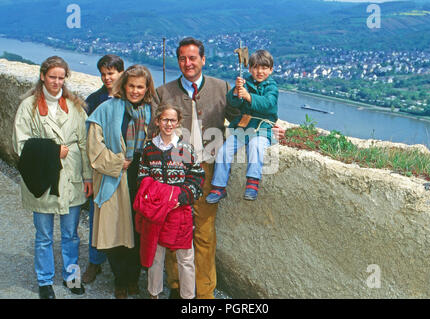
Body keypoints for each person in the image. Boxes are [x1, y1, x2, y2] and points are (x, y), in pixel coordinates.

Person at [154, 37, 285, 299]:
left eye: (193, 58)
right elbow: (153, 133)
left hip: (208, 169)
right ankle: (177, 286)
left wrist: (274, 126)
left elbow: (241, 116)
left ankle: (204, 293)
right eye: (182, 58)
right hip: (175, 171)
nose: (187, 63)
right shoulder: (163, 92)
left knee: (204, 232)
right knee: (173, 229)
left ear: (203, 60)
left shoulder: (221, 87)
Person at [12, 56, 93, 299]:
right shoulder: (28, 106)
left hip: (72, 175)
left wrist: (87, 177)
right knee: (44, 234)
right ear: (42, 76)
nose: (56, 82)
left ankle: (71, 276)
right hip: (43, 177)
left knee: (71, 233)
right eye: (52, 77)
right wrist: (53, 151)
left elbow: (84, 143)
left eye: (61, 77)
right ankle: (44, 280)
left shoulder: (76, 106)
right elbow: (20, 144)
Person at [86, 64, 155, 299]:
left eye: (140, 87)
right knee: (116, 231)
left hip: (144, 179)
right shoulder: (107, 108)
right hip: (117, 177)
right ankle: (119, 279)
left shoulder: (152, 112)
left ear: (147, 89)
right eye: (131, 86)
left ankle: (133, 277)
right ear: (123, 86)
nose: (135, 91)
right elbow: (93, 145)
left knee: (137, 232)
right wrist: (116, 162)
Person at [136, 104, 204, 299]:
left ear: (178, 122)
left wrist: (180, 199)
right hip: (156, 212)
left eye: (172, 120)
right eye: (164, 119)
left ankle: (188, 298)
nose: (168, 124)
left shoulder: (185, 148)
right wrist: (157, 199)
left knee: (186, 258)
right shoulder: (149, 149)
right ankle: (154, 294)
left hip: (179, 211)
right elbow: (143, 178)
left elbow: (197, 178)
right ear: (157, 121)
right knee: (155, 256)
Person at [206, 50, 278, 202]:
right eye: (256, 67)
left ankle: (253, 181)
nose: (260, 71)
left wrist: (249, 96)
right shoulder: (245, 82)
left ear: (271, 70)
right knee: (224, 151)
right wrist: (236, 91)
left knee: (256, 146)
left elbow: (268, 104)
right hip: (244, 125)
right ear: (250, 69)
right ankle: (218, 187)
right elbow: (233, 103)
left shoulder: (272, 87)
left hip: (262, 126)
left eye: (264, 68)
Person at [82, 54, 124, 284]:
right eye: (104, 73)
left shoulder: (131, 97)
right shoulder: (94, 100)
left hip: (124, 168)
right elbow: (86, 141)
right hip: (100, 168)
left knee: (122, 217)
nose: (107, 77)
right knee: (96, 216)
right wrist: (87, 175)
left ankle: (122, 266)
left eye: (112, 73)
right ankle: (95, 261)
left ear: (121, 73)